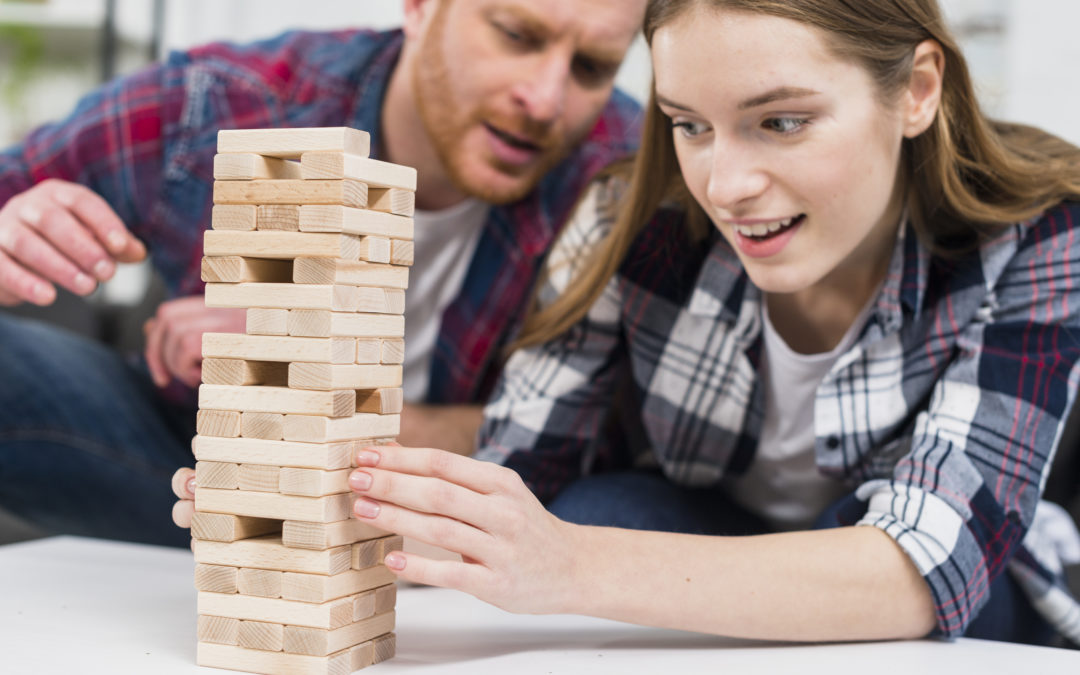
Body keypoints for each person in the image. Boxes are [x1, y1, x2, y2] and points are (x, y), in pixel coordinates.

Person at [327, 0, 1080, 647]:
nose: (726, 187)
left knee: (872, 545)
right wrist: (302, 503)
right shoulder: (629, 222)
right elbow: (512, 476)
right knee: (598, 508)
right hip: (710, 532)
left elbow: (929, 563)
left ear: (917, 90)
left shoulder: (1037, 236)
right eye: (690, 125)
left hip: (959, 584)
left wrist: (570, 564)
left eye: (781, 121)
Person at [0, 0, 645, 547]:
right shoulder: (222, 104)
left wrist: (294, 373)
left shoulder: (630, 172)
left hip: (472, 508)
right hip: (198, 477)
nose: (544, 99)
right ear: (420, 7)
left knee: (621, 510)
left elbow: (611, 432)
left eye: (591, 68)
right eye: (516, 35)